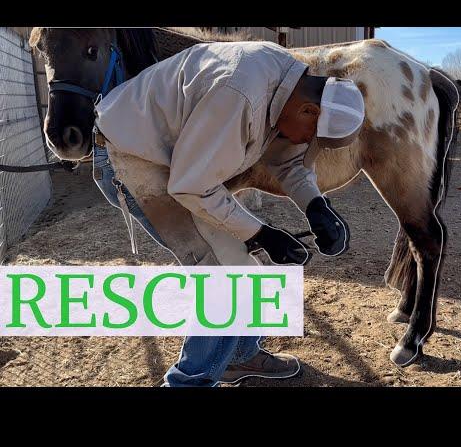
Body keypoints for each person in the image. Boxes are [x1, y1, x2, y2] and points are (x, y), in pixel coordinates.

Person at [92, 41, 365, 387]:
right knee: (222, 281)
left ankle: (239, 357)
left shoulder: (290, 87)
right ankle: (187, 382)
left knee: (240, 267)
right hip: (130, 159)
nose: (309, 142)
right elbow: (192, 186)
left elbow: (288, 156)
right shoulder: (239, 94)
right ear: (310, 111)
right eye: (313, 134)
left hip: (169, 162)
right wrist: (261, 234)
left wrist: (316, 206)